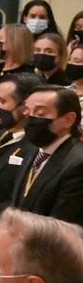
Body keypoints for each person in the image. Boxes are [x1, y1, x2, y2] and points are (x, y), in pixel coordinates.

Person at [0, 73, 39, 230]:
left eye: (2, 101)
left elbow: (13, 202)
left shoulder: (33, 148)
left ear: (25, 108)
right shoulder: (2, 133)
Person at [12, 85, 83, 223]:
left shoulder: (78, 164)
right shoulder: (32, 149)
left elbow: (59, 224)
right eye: (27, 112)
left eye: (40, 114)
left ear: (69, 119)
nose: (31, 119)